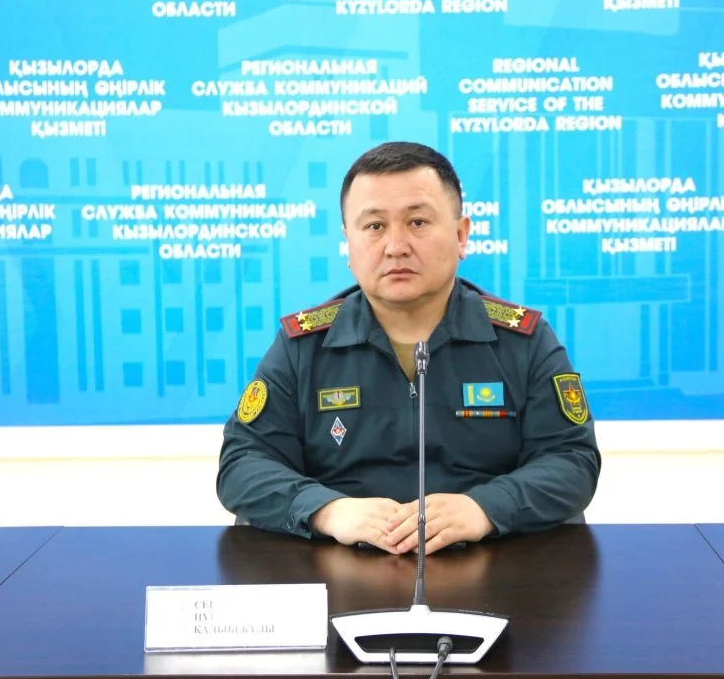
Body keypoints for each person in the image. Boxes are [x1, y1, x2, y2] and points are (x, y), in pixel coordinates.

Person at [217, 141, 601, 555]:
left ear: (461, 235)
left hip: (492, 562)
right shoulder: (304, 347)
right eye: (374, 226)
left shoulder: (522, 341)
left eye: (417, 222)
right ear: (348, 243)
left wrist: (485, 508)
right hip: (342, 565)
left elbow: (572, 460)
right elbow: (242, 464)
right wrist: (328, 511)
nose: (396, 246)